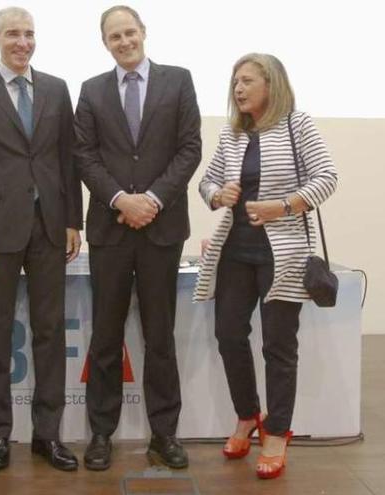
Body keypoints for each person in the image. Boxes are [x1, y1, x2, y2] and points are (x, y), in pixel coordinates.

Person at [194, 53, 338, 480]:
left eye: (247, 81)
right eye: (235, 81)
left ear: (271, 85)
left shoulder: (298, 124)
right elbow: (206, 181)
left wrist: (283, 206)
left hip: (284, 254)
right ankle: (246, 416)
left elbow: (327, 177)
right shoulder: (233, 134)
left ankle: (276, 433)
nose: (238, 89)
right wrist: (219, 195)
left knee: (278, 346)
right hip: (235, 250)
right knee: (228, 335)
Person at [0, 6, 83, 472]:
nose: (22, 42)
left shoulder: (56, 88)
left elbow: (68, 160)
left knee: (49, 332)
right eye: (12, 34)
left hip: (49, 227)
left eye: (29, 34)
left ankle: (48, 435)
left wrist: (73, 220)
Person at [74, 5, 201, 471]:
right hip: (111, 230)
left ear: (143, 33)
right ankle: (101, 434)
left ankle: (164, 434)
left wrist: (151, 199)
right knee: (105, 336)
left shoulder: (178, 80)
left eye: (129, 32)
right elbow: (84, 155)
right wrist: (119, 200)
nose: (124, 42)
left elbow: (190, 147)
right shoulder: (90, 91)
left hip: (161, 228)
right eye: (114, 37)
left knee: (160, 334)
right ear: (105, 43)